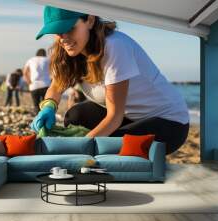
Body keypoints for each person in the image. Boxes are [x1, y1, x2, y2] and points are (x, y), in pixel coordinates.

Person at [30, 6, 190, 154]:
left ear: (90, 20)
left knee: (106, 145)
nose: (63, 37)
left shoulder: (115, 46)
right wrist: (48, 107)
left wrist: (81, 146)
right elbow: (55, 88)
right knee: (75, 117)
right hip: (127, 116)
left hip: (168, 122)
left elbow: (114, 117)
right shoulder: (68, 50)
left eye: (69, 28)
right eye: (57, 32)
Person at [23, 49, 52, 114]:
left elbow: (25, 72)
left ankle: (37, 120)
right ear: (44, 53)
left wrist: (29, 82)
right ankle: (44, 121)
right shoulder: (48, 60)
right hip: (46, 84)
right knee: (45, 105)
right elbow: (54, 72)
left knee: (36, 105)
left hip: (34, 86)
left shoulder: (31, 60)